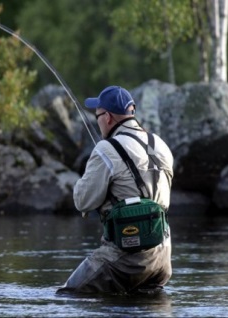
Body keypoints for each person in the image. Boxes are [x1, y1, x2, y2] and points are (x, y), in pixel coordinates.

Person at [57, 85, 174, 295]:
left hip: (125, 259)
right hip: (162, 256)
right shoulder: (161, 145)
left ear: (108, 117)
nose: (97, 120)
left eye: (98, 115)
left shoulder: (106, 149)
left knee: (68, 295)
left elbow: (82, 201)